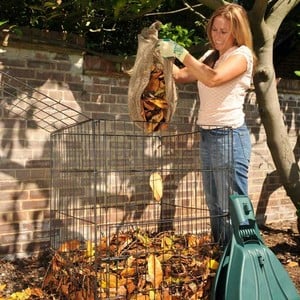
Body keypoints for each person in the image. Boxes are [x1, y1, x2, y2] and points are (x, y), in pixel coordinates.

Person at [158, 3, 255, 244]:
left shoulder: (241, 56)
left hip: (230, 137)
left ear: (237, 32)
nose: (218, 36)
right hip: (209, 136)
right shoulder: (210, 56)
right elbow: (181, 76)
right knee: (214, 203)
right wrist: (159, 57)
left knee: (233, 204)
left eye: (224, 31)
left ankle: (246, 258)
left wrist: (181, 52)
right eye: (215, 30)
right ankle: (223, 253)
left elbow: (213, 79)